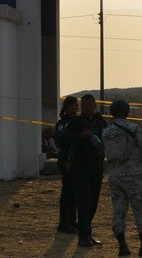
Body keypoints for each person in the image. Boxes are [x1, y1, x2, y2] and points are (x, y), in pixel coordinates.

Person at [101, 99, 142, 257]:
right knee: (140, 209)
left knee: (118, 210)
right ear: (127, 112)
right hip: (132, 174)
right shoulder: (133, 128)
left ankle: (122, 247)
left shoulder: (106, 131)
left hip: (114, 174)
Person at [58, 94, 106, 247]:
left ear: (94, 106)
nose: (86, 107)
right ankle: (83, 235)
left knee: (93, 202)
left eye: (89, 104)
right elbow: (63, 140)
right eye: (83, 104)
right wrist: (80, 136)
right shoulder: (75, 122)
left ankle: (87, 232)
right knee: (83, 201)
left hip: (96, 165)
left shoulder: (100, 122)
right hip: (80, 166)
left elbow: (107, 138)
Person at [54, 95, 80, 235]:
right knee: (67, 191)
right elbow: (64, 141)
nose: (77, 107)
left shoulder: (74, 121)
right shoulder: (62, 123)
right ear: (69, 106)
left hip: (75, 159)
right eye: (75, 105)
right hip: (66, 159)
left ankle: (72, 220)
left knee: (73, 192)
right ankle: (64, 222)